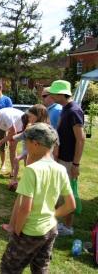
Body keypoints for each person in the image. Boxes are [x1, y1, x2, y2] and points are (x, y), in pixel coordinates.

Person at [0, 123, 76, 274]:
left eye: (26, 142)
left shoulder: (32, 171)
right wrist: (51, 216)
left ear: (35, 144)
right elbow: (70, 205)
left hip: (29, 232)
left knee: (9, 268)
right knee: (40, 268)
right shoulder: (60, 169)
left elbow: (25, 208)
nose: (25, 145)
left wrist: (16, 231)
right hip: (50, 229)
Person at [49, 80, 85, 237]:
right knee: (59, 191)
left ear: (60, 94)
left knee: (67, 193)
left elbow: (81, 139)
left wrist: (75, 164)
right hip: (62, 157)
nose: (51, 96)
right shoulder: (65, 108)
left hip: (69, 160)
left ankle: (68, 227)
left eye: (53, 93)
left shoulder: (74, 111)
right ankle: (58, 221)